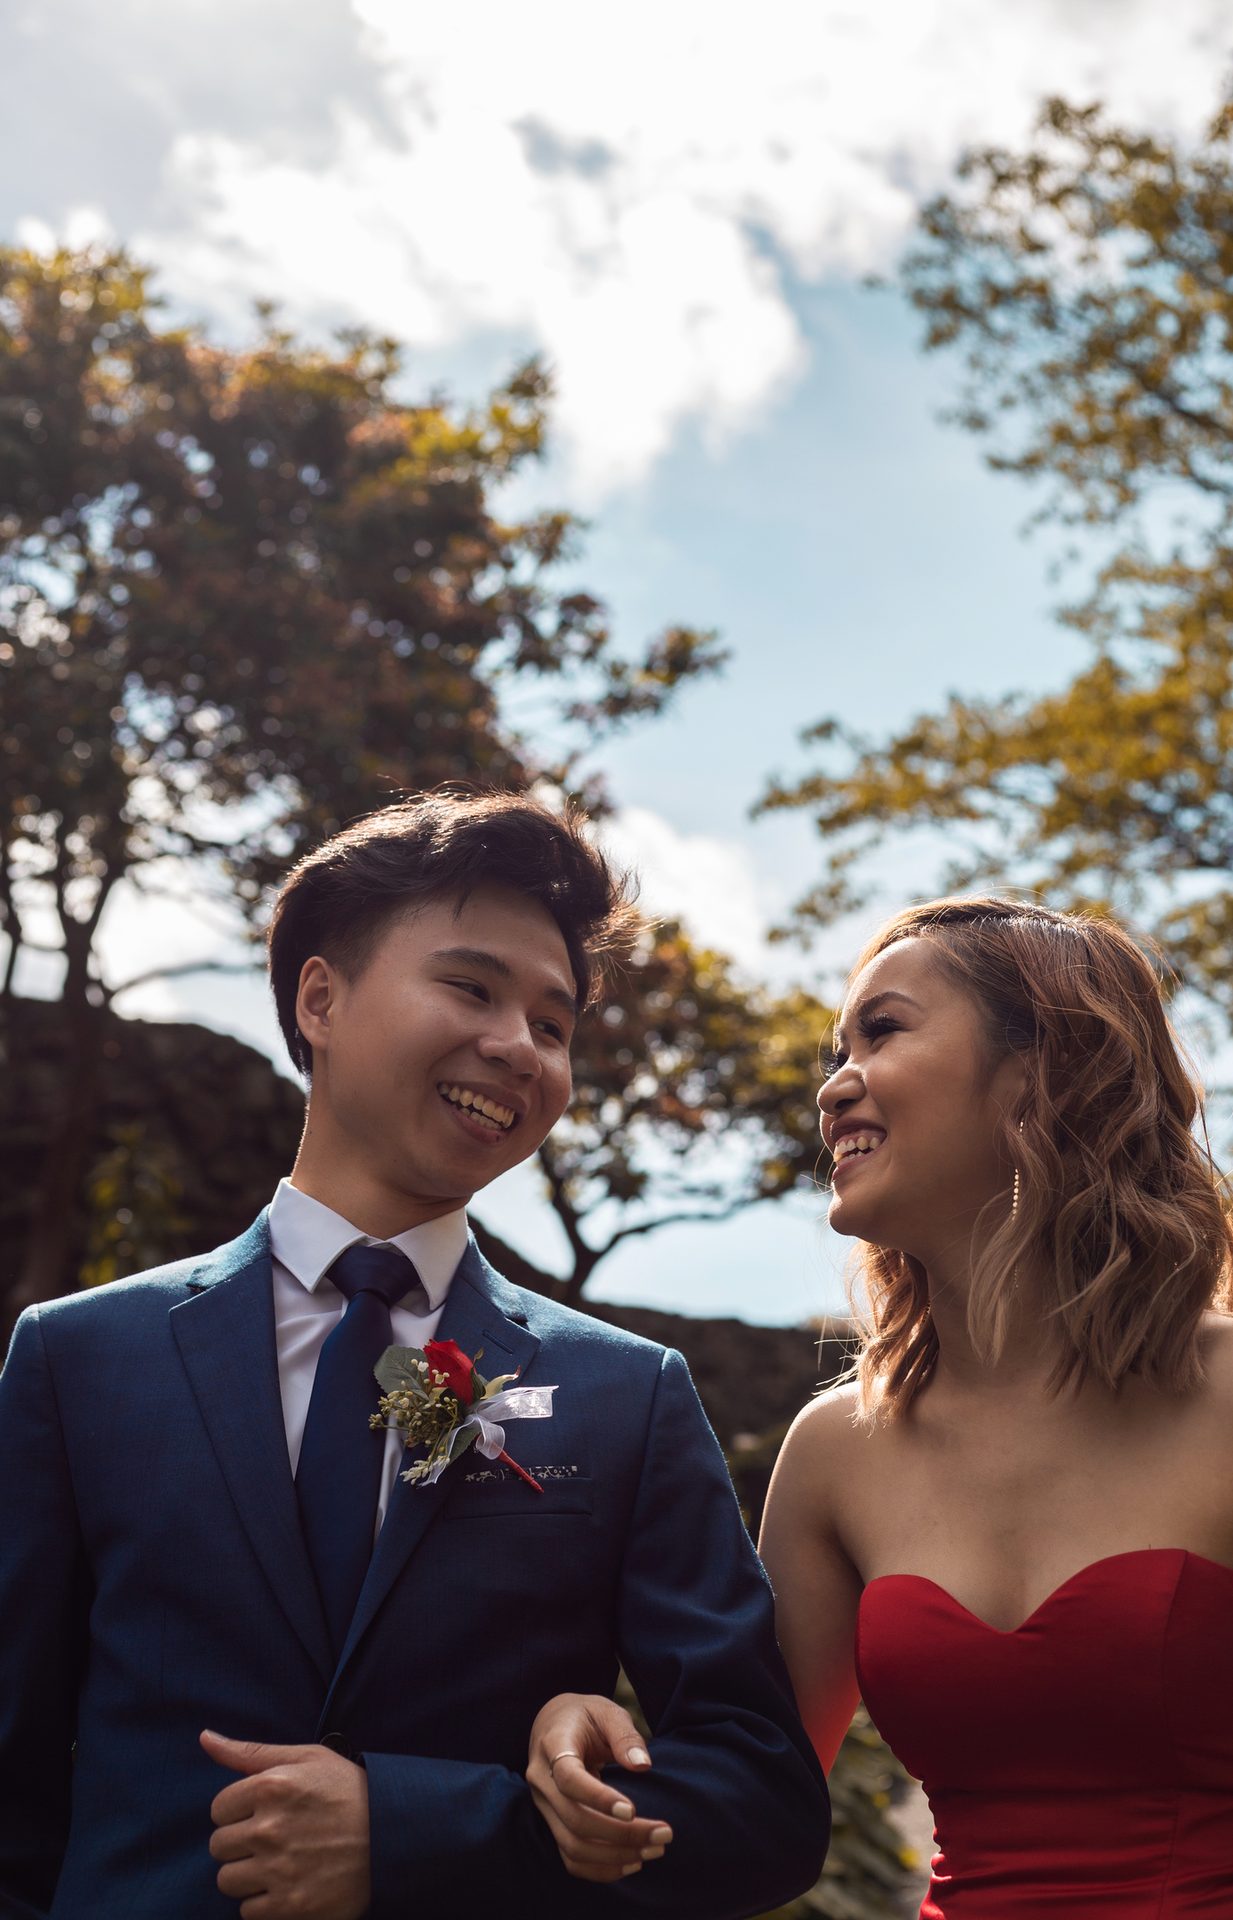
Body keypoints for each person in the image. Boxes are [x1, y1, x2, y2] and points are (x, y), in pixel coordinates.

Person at [0, 789, 829, 1920]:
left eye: (553, 1023)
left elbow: (764, 1804)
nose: (517, 1048)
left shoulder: (627, 1393)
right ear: (322, 997)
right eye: (472, 987)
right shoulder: (78, 1360)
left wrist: (422, 1831)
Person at [529, 896, 1233, 1915]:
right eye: (836, 1049)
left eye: (884, 1031)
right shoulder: (838, 1451)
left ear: (1042, 1069)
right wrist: (585, 1737)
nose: (834, 1088)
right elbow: (743, 1805)